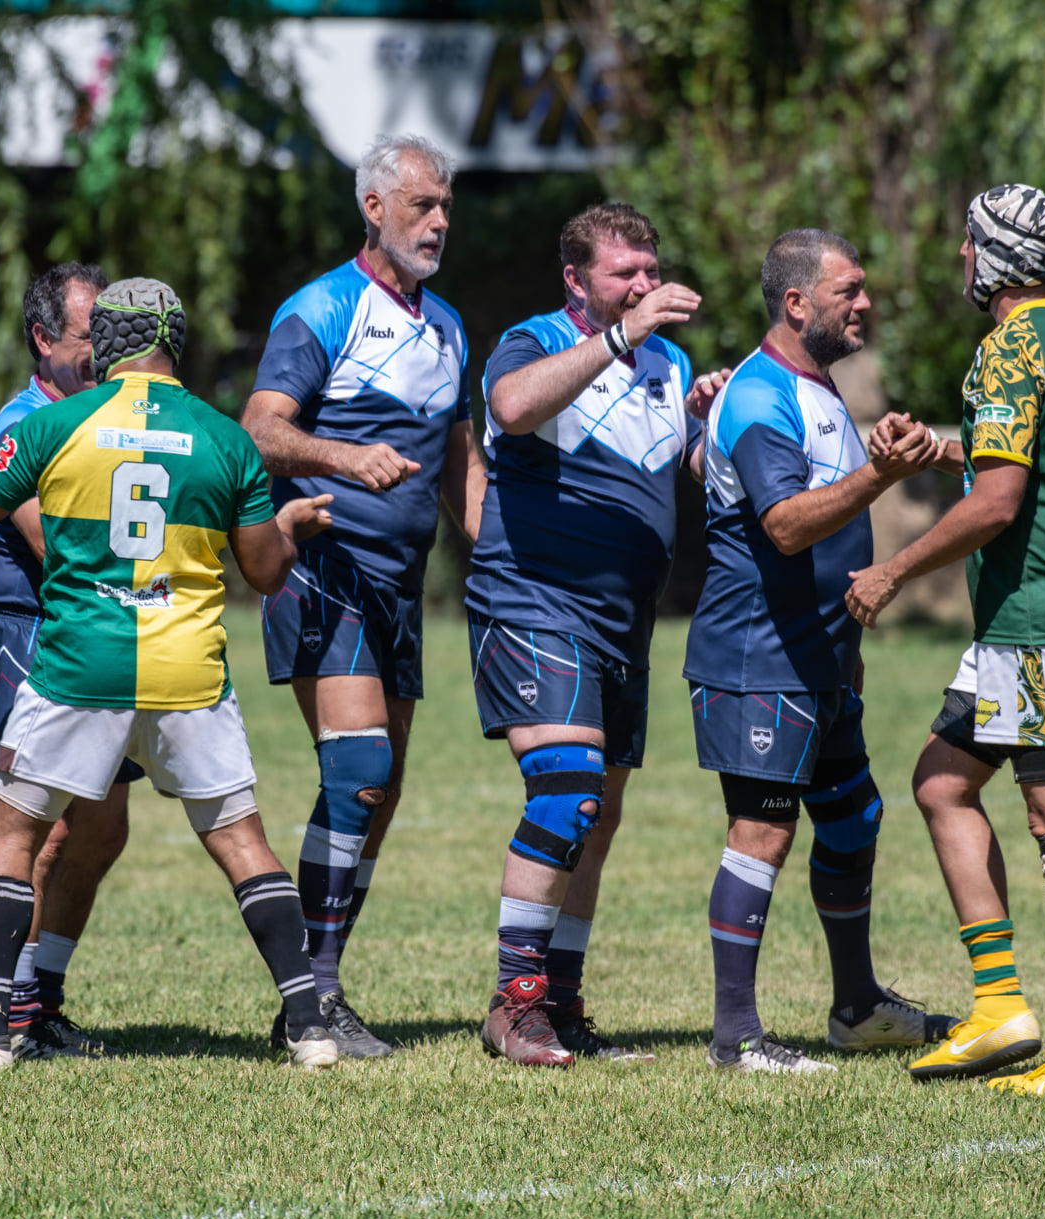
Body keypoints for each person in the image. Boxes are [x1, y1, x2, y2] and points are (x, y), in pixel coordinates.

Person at [0, 278, 343, 1070]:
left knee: (13, 831)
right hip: (187, 669)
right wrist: (282, 534)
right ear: (177, 342)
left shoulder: (52, 424)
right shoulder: (227, 440)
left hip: (79, 665)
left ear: (108, 344)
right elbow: (264, 571)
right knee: (242, 842)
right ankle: (307, 1023)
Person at [846, 184, 1045, 1096]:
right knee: (940, 779)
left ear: (996, 256)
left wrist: (892, 572)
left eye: (969, 245)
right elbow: (1043, 462)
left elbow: (1002, 502)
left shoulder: (1007, 347)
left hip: (1039, 616)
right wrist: (953, 452)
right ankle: (1000, 1006)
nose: (960, 259)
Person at [469, 202, 731, 1066]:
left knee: (599, 813)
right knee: (567, 787)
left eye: (650, 270)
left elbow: (680, 467)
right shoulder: (531, 339)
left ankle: (563, 999)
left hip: (623, 625)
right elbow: (509, 408)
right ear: (577, 280)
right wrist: (619, 339)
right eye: (625, 274)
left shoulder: (668, 358)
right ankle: (516, 1003)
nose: (645, 286)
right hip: (535, 600)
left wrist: (708, 419)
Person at [684, 228, 950, 1076]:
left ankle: (855, 1006)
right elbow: (787, 524)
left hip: (818, 661)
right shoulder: (764, 395)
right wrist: (879, 474)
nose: (863, 303)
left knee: (853, 817)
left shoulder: (813, 387)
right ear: (797, 303)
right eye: (849, 290)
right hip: (757, 657)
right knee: (760, 833)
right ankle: (736, 1037)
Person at [242, 134, 480, 1058]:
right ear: (373, 208)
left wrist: (489, 554)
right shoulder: (320, 309)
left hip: (399, 588)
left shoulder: (450, 324)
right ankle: (314, 997)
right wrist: (346, 458)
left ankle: (322, 981)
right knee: (358, 769)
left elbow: (461, 454)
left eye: (445, 207)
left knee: (381, 787)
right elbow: (260, 430)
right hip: (322, 569)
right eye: (421, 205)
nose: (438, 223)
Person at [0, 262, 129, 1058]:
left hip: (98, 635)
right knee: (45, 829)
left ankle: (41, 994)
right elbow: (52, 544)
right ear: (41, 339)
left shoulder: (108, 418)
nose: (105, 350)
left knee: (102, 828)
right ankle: (8, 1009)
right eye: (87, 335)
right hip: (37, 635)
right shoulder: (21, 424)